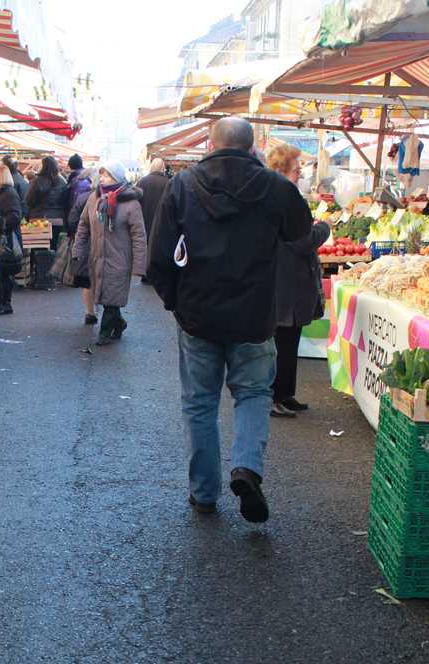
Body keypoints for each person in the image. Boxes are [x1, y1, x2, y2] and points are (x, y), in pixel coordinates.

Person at [146, 116, 312, 523]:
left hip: (198, 313)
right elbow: (300, 231)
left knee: (200, 403)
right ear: (252, 147)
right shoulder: (275, 186)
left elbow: (159, 256)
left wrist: (175, 302)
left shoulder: (183, 184)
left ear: (209, 144)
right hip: (254, 314)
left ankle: (204, 494)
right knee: (253, 394)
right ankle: (246, 468)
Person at [266, 144, 331, 418]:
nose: (300, 174)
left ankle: (285, 393)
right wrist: (325, 227)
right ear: (280, 170)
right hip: (286, 279)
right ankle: (274, 396)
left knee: (289, 340)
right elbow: (303, 241)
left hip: (289, 278)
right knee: (282, 341)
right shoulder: (283, 198)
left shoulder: (281, 195)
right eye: (296, 170)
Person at [73, 159, 147, 346]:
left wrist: (140, 266)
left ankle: (104, 334)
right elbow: (83, 225)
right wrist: (77, 248)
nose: (102, 179)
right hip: (97, 257)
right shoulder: (94, 199)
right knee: (106, 295)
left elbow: (139, 235)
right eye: (101, 175)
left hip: (120, 259)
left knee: (112, 296)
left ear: (117, 177)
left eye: (107, 175)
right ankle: (119, 323)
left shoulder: (132, 204)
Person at [66, 168, 97, 323]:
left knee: (87, 280)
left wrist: (79, 235)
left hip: (85, 243)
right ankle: (109, 313)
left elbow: (72, 220)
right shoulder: (114, 198)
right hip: (106, 245)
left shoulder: (84, 198)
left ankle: (90, 312)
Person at [0, 164, 22, 315]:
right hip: (0, 237)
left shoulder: (8, 193)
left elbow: (15, 217)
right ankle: (0, 301)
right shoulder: (2, 192)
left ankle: (6, 303)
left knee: (4, 271)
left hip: (6, 239)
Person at [134, 158, 170, 285]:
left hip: (144, 219)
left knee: (145, 247)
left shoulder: (142, 181)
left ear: (151, 167)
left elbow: (135, 201)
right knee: (157, 249)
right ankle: (155, 275)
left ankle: (144, 273)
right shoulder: (168, 183)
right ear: (163, 168)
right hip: (161, 221)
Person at [25, 155, 68, 249]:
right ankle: (52, 257)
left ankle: (38, 258)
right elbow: (64, 200)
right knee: (53, 246)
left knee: (37, 247)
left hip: (38, 218)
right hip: (57, 218)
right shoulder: (62, 181)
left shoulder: (37, 181)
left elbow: (29, 201)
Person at [65, 154, 92, 225]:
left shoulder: (79, 182)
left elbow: (74, 204)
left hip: (78, 222)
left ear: (70, 167)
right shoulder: (85, 178)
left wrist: (71, 222)